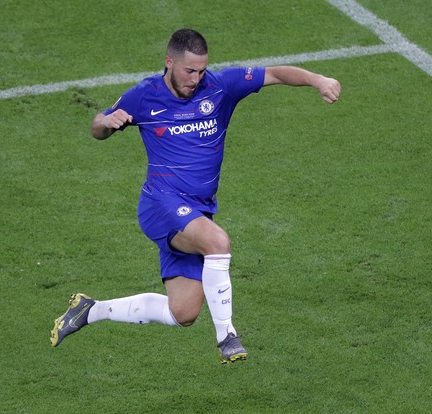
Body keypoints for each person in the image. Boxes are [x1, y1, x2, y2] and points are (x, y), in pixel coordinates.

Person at [50, 28, 340, 363]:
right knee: (218, 242)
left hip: (197, 212)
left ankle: (90, 311)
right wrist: (106, 122)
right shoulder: (144, 95)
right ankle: (227, 337)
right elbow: (97, 127)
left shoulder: (220, 86)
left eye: (201, 70)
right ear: (169, 62)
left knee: (183, 313)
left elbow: (274, 73)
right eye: (189, 70)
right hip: (160, 204)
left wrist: (318, 80)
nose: (196, 78)